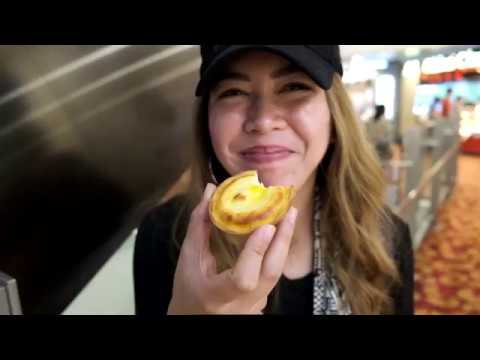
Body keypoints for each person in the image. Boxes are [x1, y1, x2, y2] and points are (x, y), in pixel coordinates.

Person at [134, 45, 414, 315]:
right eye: (234, 91)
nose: (263, 120)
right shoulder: (166, 236)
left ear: (334, 116)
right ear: (207, 122)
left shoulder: (387, 240)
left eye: (294, 87)